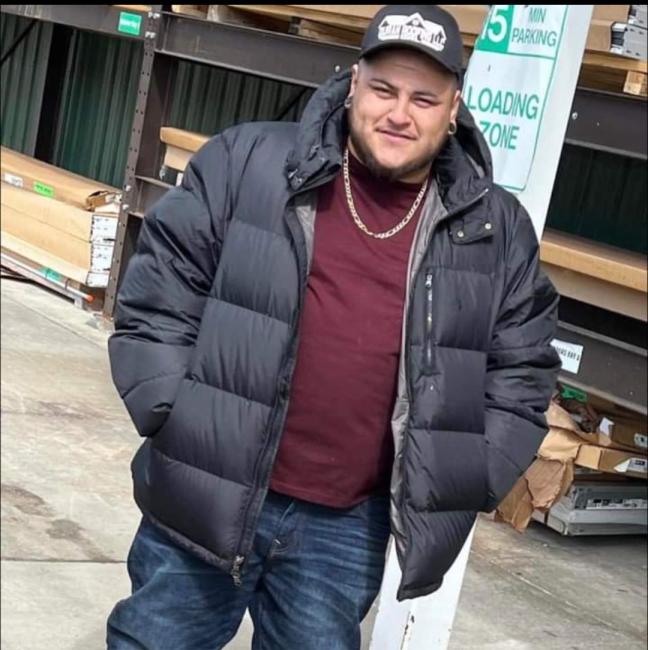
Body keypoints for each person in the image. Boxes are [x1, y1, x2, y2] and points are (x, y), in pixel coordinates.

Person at [106, 5, 560, 649]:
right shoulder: (249, 162)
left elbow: (524, 367)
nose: (399, 113)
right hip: (209, 491)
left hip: (347, 525)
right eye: (384, 89)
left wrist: (470, 472)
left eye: (423, 98)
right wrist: (171, 411)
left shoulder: (495, 228)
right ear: (354, 85)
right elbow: (160, 288)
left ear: (453, 107)